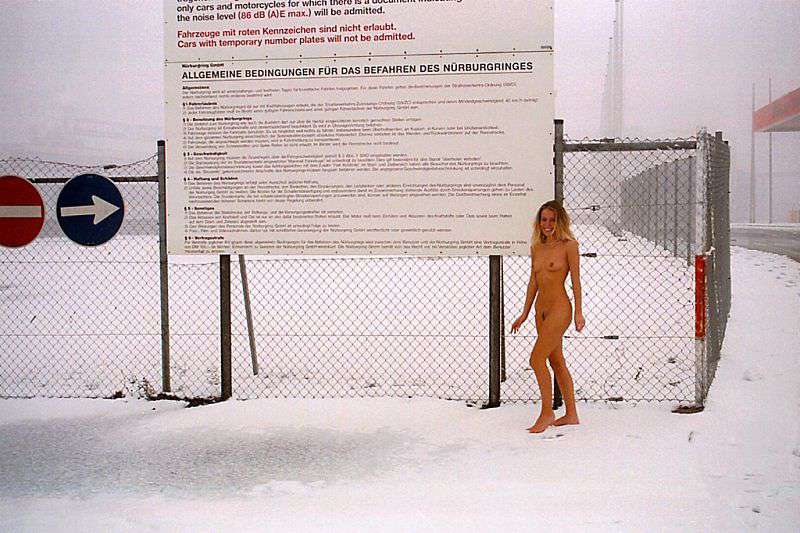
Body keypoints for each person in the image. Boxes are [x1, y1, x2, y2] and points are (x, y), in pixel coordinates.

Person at [511, 200, 584, 433]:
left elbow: (576, 281)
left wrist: (579, 312)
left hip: (560, 309)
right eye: (544, 219)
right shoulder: (537, 247)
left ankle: (546, 413)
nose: (548, 224)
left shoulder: (569, 246)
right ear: (539, 222)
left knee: (536, 359)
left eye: (552, 220)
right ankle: (571, 414)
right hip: (539, 311)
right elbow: (533, 282)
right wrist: (524, 313)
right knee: (556, 361)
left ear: (560, 221)